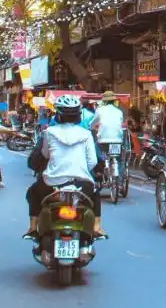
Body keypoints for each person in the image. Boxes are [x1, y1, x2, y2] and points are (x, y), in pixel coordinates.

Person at [23, 95, 104, 239]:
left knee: (33, 193)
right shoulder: (86, 134)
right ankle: (97, 228)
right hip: (81, 184)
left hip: (52, 184)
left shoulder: (49, 133)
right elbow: (92, 162)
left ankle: (32, 228)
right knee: (95, 194)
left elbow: (45, 155)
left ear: (58, 114)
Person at [91, 91, 125, 177]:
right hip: (117, 141)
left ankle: (102, 164)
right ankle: (120, 180)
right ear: (114, 101)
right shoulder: (119, 112)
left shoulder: (99, 110)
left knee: (95, 149)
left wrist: (91, 127)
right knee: (117, 158)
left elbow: (92, 124)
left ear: (104, 101)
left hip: (103, 141)